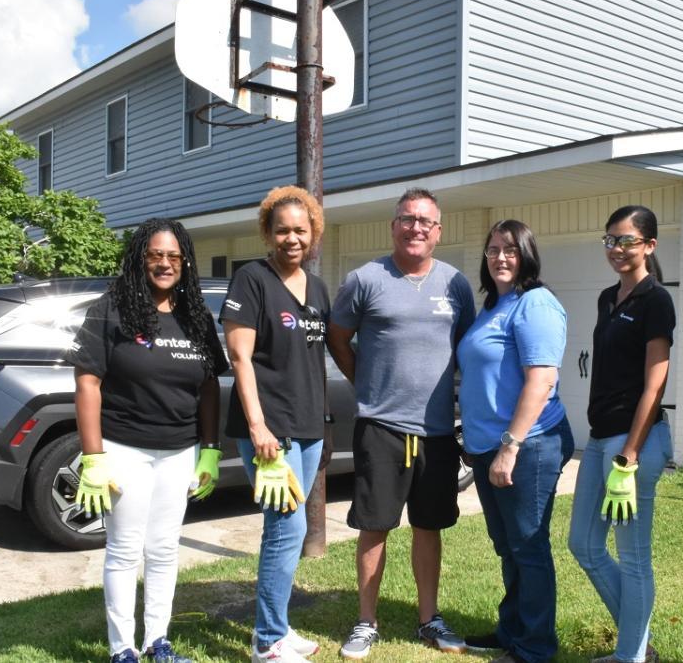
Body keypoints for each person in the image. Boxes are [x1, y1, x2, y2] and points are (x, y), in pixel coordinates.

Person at [67, 218, 228, 663]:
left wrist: (210, 450)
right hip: (124, 449)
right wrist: (93, 457)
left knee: (163, 548)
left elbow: (210, 385)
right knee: (124, 548)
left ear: (185, 262)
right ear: (141, 258)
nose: (165, 263)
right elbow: (87, 383)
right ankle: (123, 649)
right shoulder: (110, 308)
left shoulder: (194, 315)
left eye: (174, 256)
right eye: (156, 255)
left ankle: (159, 641)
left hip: (179, 451)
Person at [325, 187, 476, 660]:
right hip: (381, 427)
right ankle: (366, 622)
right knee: (374, 527)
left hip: (436, 432)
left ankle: (428, 618)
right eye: (407, 219)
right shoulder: (365, 279)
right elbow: (338, 336)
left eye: (425, 221)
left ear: (438, 232)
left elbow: (469, 349)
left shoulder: (456, 284)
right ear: (393, 226)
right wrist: (365, 382)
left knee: (428, 527)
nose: (415, 227)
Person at [219, 186, 331, 663]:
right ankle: (267, 641)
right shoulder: (252, 279)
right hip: (270, 430)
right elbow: (240, 357)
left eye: (300, 230)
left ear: (314, 233)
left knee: (286, 527)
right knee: (288, 526)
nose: (292, 238)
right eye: (282, 229)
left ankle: (277, 627)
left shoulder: (318, 287)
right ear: (268, 232)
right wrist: (259, 426)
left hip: (308, 427)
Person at [456, 220, 573, 663]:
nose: (500, 257)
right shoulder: (494, 307)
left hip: (530, 444)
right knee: (508, 544)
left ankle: (537, 647)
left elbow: (541, 379)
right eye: (492, 250)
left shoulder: (535, 303)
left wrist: (510, 445)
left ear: (526, 254)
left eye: (509, 249)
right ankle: (513, 630)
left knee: (528, 544)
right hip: (489, 445)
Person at [569, 205, 676, 663]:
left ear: (649, 245)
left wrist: (628, 457)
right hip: (599, 438)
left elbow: (656, 383)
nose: (617, 248)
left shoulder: (656, 300)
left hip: (634, 444)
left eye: (627, 240)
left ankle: (630, 655)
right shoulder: (606, 297)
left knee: (633, 557)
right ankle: (637, 642)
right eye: (610, 239)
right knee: (584, 544)